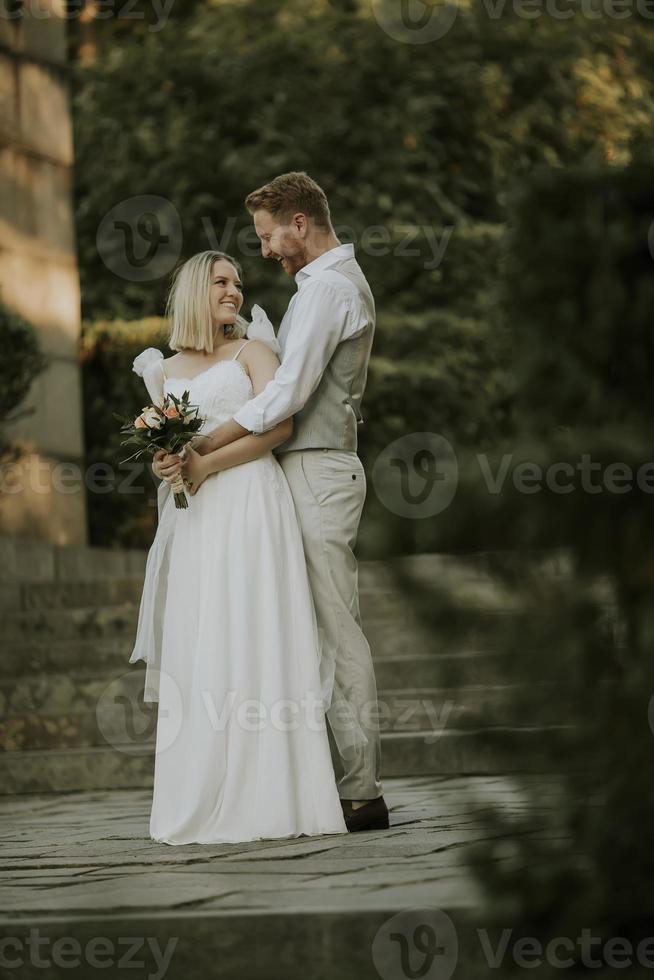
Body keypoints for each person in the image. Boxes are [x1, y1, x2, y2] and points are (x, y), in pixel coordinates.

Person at [167, 172, 388, 833]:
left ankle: (359, 791)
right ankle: (311, 779)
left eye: (266, 236)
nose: (263, 252)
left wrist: (207, 441)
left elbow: (287, 393)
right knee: (299, 626)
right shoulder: (313, 290)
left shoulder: (329, 290)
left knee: (333, 629)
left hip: (318, 471)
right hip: (297, 475)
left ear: (298, 224)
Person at [130, 249, 348, 844]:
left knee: (255, 629)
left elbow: (278, 427)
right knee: (202, 637)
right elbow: (166, 458)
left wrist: (204, 464)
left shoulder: (254, 350)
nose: (234, 290)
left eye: (238, 281)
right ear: (197, 289)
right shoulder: (165, 369)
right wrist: (170, 464)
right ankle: (200, 789)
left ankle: (275, 795)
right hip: (197, 519)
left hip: (251, 501)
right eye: (222, 281)